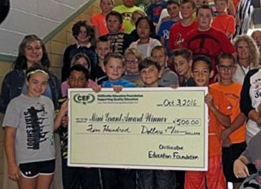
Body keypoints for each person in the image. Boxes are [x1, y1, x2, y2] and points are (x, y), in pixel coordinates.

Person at [2, 66, 67, 189]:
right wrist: (11, 163)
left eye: (43, 83)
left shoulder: (48, 102)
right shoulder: (16, 103)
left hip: (48, 157)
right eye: (35, 82)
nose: (39, 87)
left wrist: (63, 111)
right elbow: (9, 135)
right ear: (27, 82)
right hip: (27, 160)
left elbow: (51, 129)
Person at [184, 55, 230, 189]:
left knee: (216, 185)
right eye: (196, 71)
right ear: (191, 73)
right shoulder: (184, 95)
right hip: (191, 152)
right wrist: (175, 92)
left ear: (210, 73)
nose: (200, 75)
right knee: (193, 185)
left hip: (213, 150)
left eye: (204, 71)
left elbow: (227, 122)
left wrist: (212, 107)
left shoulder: (218, 94)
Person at [0, 35, 61, 114]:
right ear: (23, 51)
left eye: (37, 48)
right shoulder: (12, 77)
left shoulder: (53, 78)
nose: (34, 51)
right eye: (29, 48)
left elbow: (58, 106)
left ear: (43, 51)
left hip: (48, 125)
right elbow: (7, 109)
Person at [56, 65, 100, 189]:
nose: (76, 82)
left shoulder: (95, 100)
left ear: (87, 82)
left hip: (90, 154)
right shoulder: (61, 102)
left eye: (81, 79)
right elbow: (54, 127)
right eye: (73, 78)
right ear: (68, 81)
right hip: (69, 155)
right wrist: (62, 121)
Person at [136, 57, 177, 189]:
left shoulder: (170, 94)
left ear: (160, 73)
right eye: (143, 71)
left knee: (165, 183)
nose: (147, 74)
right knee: (145, 184)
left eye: (151, 70)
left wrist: (178, 93)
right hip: (142, 151)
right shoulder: (134, 96)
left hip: (164, 151)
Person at [99, 52, 136, 188]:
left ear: (124, 68)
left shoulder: (131, 88)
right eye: (111, 67)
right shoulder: (100, 87)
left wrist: (124, 94)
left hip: (125, 144)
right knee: (109, 181)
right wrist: (95, 94)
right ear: (104, 68)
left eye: (119, 67)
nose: (115, 70)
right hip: (106, 146)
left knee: (126, 181)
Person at [211, 53, 246, 189]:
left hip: (238, 139)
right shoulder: (210, 89)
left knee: (238, 178)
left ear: (235, 68)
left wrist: (228, 132)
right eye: (223, 67)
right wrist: (222, 135)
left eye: (229, 67)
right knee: (221, 178)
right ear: (217, 68)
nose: (226, 70)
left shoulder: (241, 88)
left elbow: (244, 114)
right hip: (216, 142)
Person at [183, 5, 235, 78]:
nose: (204, 18)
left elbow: (232, 55)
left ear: (212, 19)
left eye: (207, 16)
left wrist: (222, 73)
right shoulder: (189, 36)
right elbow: (184, 58)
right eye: (201, 15)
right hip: (193, 77)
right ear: (196, 18)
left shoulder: (220, 35)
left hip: (215, 77)